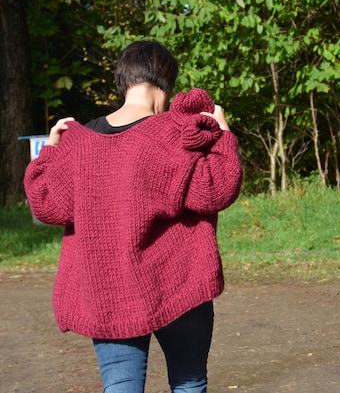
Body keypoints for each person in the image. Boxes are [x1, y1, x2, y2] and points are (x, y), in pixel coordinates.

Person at [24, 40, 243, 393]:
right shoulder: (174, 133)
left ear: (122, 81)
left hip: (107, 291)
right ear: (166, 82)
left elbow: (48, 206)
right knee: (189, 384)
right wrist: (225, 135)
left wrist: (49, 151)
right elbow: (216, 191)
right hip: (178, 286)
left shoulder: (78, 143)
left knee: (121, 388)